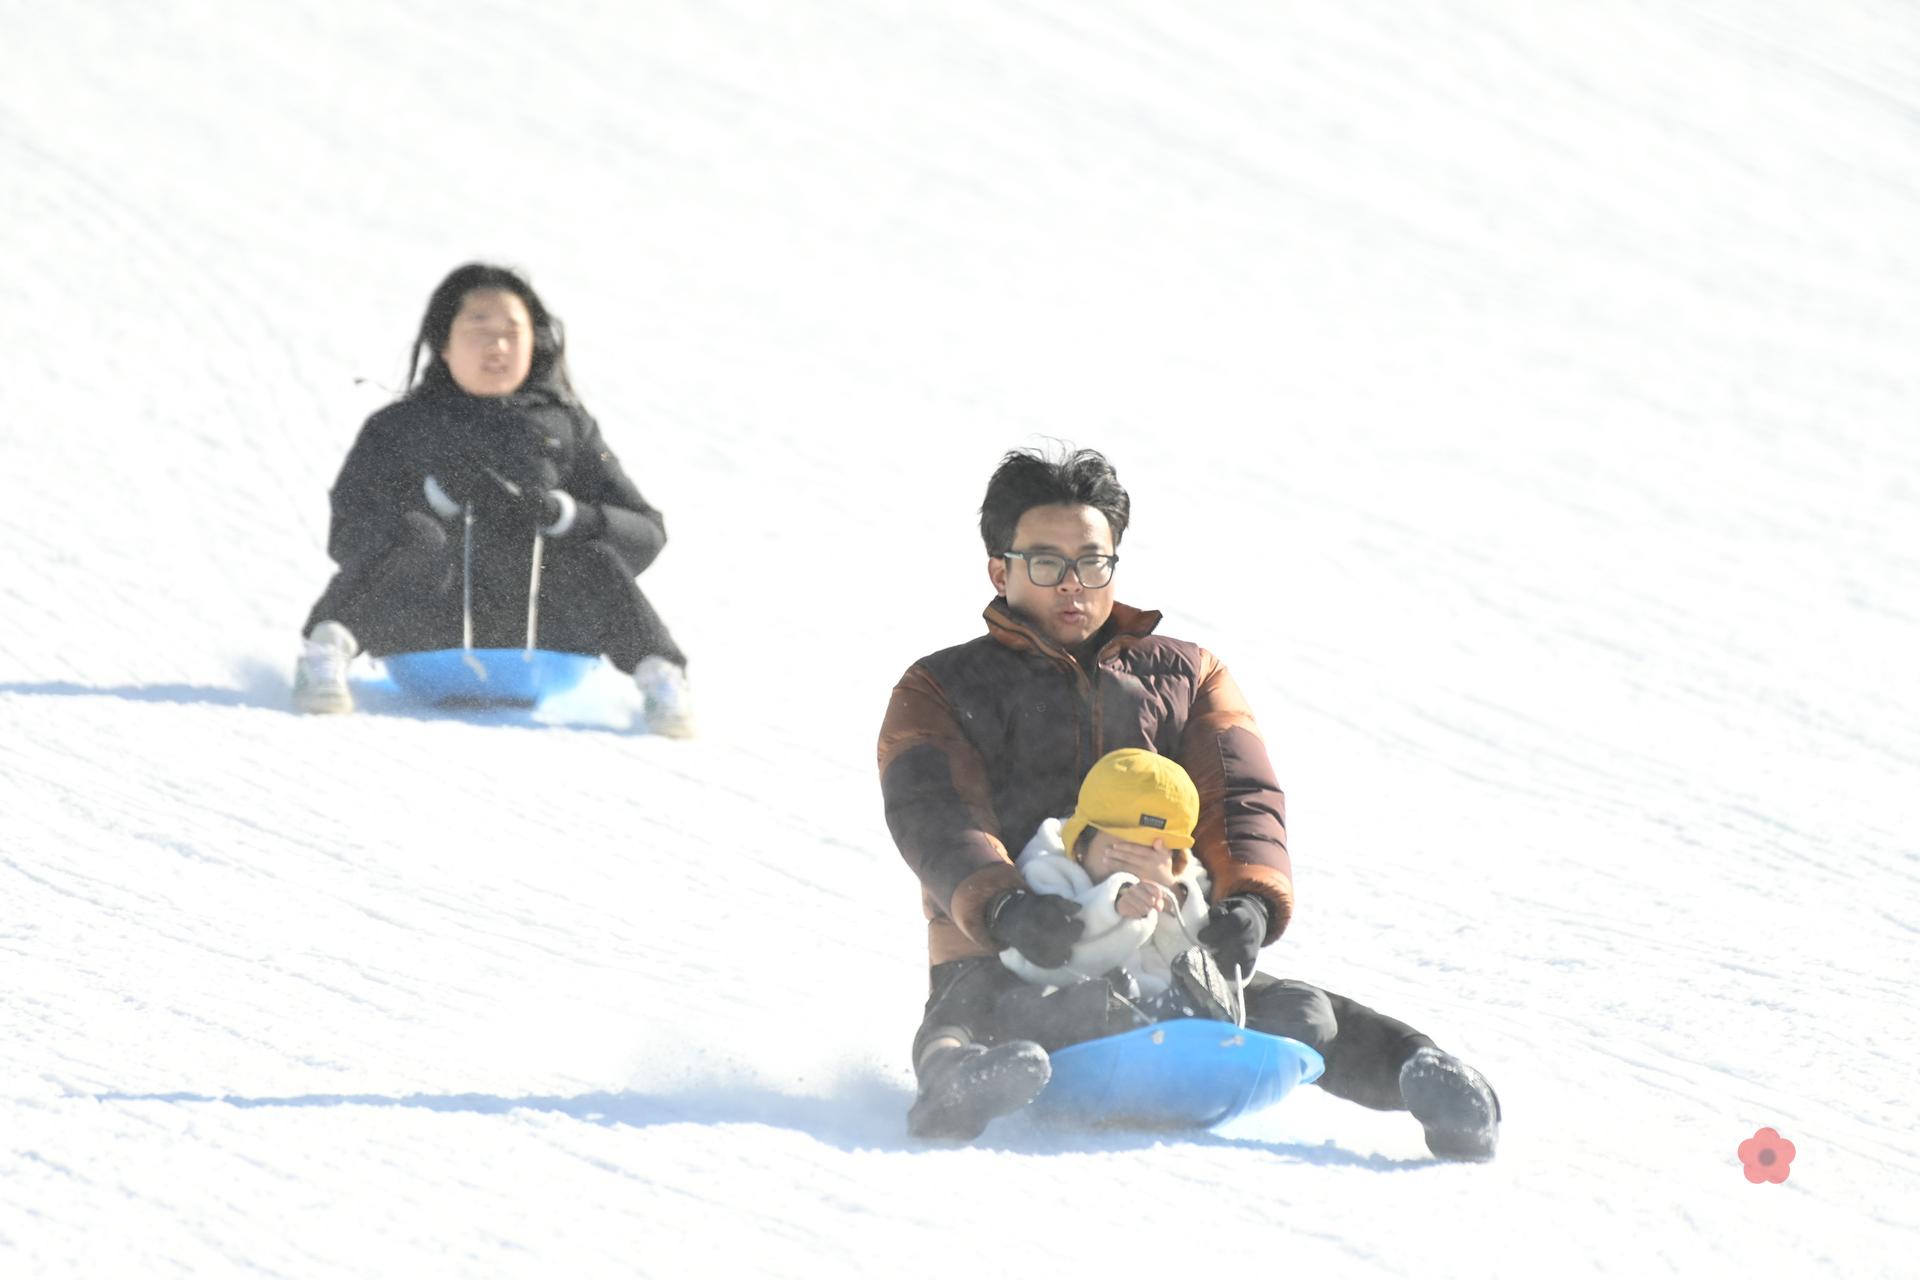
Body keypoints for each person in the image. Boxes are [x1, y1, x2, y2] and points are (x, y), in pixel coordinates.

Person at [877, 446, 1501, 1157]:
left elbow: (1240, 795)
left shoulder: (1184, 674)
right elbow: (934, 811)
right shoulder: (941, 687)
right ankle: (955, 1085)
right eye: (1046, 563)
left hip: (1165, 958)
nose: (1073, 584)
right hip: (1012, 951)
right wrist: (1005, 907)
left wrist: (1251, 904)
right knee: (972, 1008)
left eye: (1093, 560)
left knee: (1301, 1011)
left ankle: (1427, 1076)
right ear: (1001, 568)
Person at [291, 263, 693, 734]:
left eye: (512, 332)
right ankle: (325, 653)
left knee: (590, 550)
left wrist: (565, 515)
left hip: (543, 642)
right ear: (444, 343)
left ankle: (661, 677)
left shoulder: (567, 427)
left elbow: (646, 532)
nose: (497, 346)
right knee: (416, 535)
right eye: (479, 328)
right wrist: (431, 507)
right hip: (426, 635)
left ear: (534, 343)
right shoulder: (399, 428)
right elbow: (348, 533)